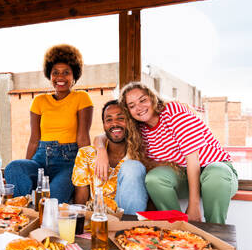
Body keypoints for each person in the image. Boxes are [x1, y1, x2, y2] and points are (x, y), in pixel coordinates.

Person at [95, 82, 238, 224]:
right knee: (154, 178)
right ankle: (177, 227)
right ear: (128, 112)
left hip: (215, 173)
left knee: (216, 173)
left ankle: (216, 229)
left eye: (143, 100)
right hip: (183, 176)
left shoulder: (173, 111)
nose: (139, 107)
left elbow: (193, 160)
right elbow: (105, 134)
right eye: (132, 106)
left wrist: (193, 206)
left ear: (152, 98)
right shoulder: (139, 128)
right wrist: (101, 150)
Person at [4, 44, 93, 203]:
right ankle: (22, 210)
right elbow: (34, 139)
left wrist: (86, 170)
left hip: (68, 162)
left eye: (66, 72)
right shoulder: (39, 101)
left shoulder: (82, 98)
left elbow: (83, 138)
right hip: (40, 159)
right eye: (55, 73)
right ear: (49, 75)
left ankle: (38, 209)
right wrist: (26, 168)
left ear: (74, 76)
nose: (60, 77)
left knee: (52, 202)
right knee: (14, 167)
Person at [72, 100, 148, 214]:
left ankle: (129, 227)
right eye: (109, 120)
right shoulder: (86, 155)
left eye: (121, 118)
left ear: (130, 121)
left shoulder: (139, 156)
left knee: (133, 167)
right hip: (96, 218)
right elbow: (81, 199)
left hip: (125, 216)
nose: (114, 124)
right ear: (104, 125)